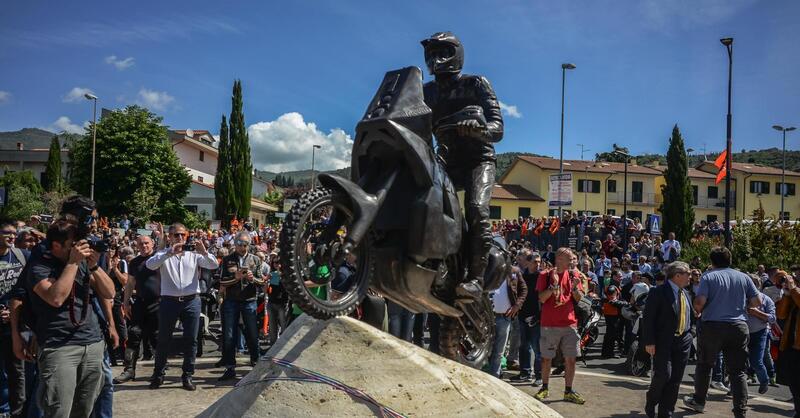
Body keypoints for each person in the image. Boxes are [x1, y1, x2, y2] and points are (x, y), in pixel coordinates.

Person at [421, 31, 503, 300]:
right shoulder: (426, 92)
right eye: (431, 53)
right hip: (446, 161)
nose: (435, 59)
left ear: (455, 54)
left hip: (478, 159)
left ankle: (476, 279)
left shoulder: (475, 83)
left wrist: (479, 129)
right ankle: (436, 266)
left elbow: (498, 127)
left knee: (477, 209)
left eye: (441, 52)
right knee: (425, 202)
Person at [23, 220, 116, 418]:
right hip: (60, 347)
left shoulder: (82, 264)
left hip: (92, 344)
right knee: (59, 411)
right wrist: (73, 263)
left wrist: (93, 268)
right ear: (56, 245)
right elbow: (56, 298)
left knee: (84, 410)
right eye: (73, 245)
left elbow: (109, 292)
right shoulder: (39, 267)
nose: (79, 249)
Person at [683, 247, 760, 418]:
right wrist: (740, 308)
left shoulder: (709, 276)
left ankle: (699, 401)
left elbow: (700, 302)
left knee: (705, 365)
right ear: (730, 260)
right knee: (738, 371)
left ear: (712, 261)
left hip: (713, 326)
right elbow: (757, 301)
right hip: (739, 326)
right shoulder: (744, 277)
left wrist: (698, 309)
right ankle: (740, 410)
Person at [146, 223, 219, 391]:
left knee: (191, 339)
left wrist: (204, 251)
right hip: (169, 301)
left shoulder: (193, 254)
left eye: (183, 235)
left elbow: (213, 265)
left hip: (191, 300)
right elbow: (150, 265)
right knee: (163, 339)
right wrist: (169, 252)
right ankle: (158, 374)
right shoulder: (163, 253)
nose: (180, 238)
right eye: (176, 235)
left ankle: (187, 375)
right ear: (170, 237)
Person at [533, 248, 586, 405]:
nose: (572, 262)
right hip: (549, 324)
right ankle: (544, 388)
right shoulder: (545, 275)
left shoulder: (574, 275)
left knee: (571, 359)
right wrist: (552, 286)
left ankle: (568, 391)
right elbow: (541, 299)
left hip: (569, 323)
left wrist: (576, 287)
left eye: (572, 259)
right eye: (569, 259)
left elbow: (579, 299)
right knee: (546, 359)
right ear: (559, 259)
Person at [642, 261, 694, 418]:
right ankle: (651, 400)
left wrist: (692, 333)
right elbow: (648, 318)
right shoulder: (658, 292)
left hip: (683, 340)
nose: (690, 277)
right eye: (688, 274)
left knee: (676, 379)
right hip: (663, 340)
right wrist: (649, 341)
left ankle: (666, 413)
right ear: (677, 275)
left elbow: (691, 316)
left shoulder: (686, 293)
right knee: (664, 374)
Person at [218, 231, 264, 381]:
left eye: (245, 244)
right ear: (235, 244)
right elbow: (222, 282)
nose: (242, 247)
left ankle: (255, 362)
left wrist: (253, 278)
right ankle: (230, 367)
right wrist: (235, 277)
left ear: (249, 245)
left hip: (249, 299)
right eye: (239, 244)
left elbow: (261, 282)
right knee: (229, 334)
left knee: (252, 333)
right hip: (231, 300)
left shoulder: (255, 259)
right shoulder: (227, 260)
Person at [115, 235, 159, 384]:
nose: (144, 246)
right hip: (140, 302)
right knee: (133, 335)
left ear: (152, 243)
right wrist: (125, 303)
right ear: (137, 246)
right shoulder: (134, 262)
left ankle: (159, 371)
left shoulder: (160, 259)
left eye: (147, 243)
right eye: (141, 244)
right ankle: (129, 370)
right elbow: (130, 283)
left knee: (157, 338)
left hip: (158, 303)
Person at [0, 223, 29, 417]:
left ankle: (17, 413)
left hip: (16, 323)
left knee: (17, 372)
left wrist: (17, 312)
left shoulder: (22, 256)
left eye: (14, 233)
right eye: (6, 233)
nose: (11, 236)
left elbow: (31, 289)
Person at [511, 251, 543, 385]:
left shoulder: (542, 277)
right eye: (535, 262)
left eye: (539, 262)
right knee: (524, 346)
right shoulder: (522, 276)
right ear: (528, 263)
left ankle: (539, 376)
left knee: (537, 348)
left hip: (537, 317)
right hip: (523, 315)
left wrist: (540, 316)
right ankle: (525, 372)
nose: (538, 264)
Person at [745, 274, 776, 395]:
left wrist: (757, 313)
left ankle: (764, 380)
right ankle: (735, 389)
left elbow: (772, 319)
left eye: (754, 283)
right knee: (738, 361)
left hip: (759, 333)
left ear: (759, 285)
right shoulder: (741, 298)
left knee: (756, 361)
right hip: (742, 333)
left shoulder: (766, 300)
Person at [776, 272, 800, 414]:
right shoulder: (793, 294)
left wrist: (793, 289)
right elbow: (781, 314)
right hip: (791, 345)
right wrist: (786, 294)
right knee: (793, 382)